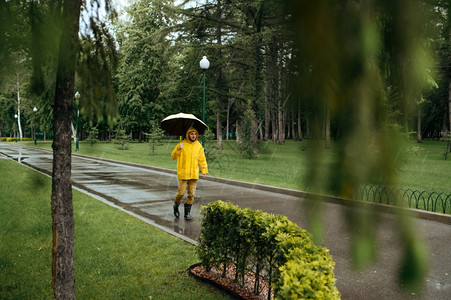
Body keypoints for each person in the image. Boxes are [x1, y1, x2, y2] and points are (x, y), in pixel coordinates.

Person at [171, 127, 208, 220]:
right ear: (188, 134)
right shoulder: (182, 144)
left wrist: (204, 170)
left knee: (191, 194)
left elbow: (202, 159)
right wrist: (178, 149)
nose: (193, 136)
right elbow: (173, 156)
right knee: (181, 193)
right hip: (183, 173)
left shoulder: (198, 146)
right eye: (192, 134)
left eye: (195, 134)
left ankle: (187, 214)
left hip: (194, 174)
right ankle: (176, 205)